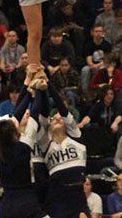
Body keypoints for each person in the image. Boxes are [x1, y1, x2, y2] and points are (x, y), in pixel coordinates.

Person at [0, 96, 48, 218]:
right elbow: (34, 116)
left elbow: (16, 116)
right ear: (14, 132)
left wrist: (28, 91)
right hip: (27, 201)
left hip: (7, 205)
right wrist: (37, 93)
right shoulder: (23, 146)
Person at [42, 80, 89, 218]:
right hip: (56, 196)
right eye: (54, 119)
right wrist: (42, 90)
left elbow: (63, 109)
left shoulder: (75, 137)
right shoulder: (46, 143)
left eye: (60, 119)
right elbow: (43, 114)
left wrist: (49, 84)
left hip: (77, 193)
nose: (57, 120)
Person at [82, 24, 113, 91]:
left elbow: (107, 60)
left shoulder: (107, 45)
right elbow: (88, 58)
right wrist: (92, 65)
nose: (98, 33)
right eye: (96, 31)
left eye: (100, 31)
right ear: (92, 33)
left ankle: (99, 90)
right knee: (85, 70)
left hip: (104, 64)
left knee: (101, 69)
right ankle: (85, 92)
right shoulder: (88, 44)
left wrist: (97, 66)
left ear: (103, 33)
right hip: (92, 65)